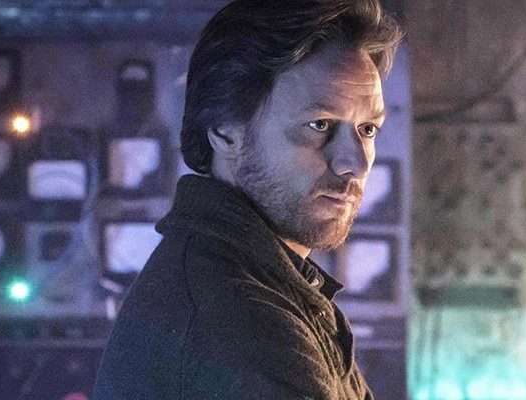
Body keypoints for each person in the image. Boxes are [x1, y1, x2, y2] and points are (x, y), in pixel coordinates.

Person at [93, 0, 402, 398]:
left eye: (368, 129)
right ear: (225, 132)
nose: (355, 164)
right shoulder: (242, 322)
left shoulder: (268, 287)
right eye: (319, 125)